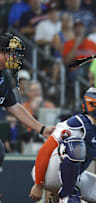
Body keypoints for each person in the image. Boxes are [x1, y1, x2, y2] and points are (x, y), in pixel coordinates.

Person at [0, 33, 55, 165]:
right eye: (11, 53)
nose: (15, 58)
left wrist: (41, 129)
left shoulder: (4, 76)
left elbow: (14, 107)